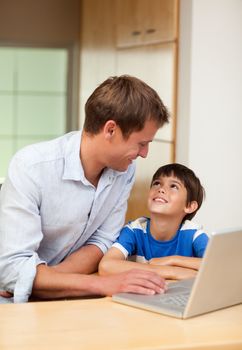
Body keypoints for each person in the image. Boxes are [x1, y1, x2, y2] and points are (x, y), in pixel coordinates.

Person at [0, 75, 169, 303]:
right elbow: (12, 268)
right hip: (11, 303)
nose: (144, 153)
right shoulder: (31, 167)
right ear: (110, 130)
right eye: (141, 143)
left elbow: (102, 241)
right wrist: (102, 284)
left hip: (61, 295)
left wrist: (35, 283)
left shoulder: (124, 170)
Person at [99, 163, 209, 280]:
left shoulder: (193, 234)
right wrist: (171, 271)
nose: (161, 189)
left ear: (189, 206)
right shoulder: (134, 230)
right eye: (157, 183)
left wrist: (172, 260)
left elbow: (219, 264)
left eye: (173, 186)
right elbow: (106, 266)